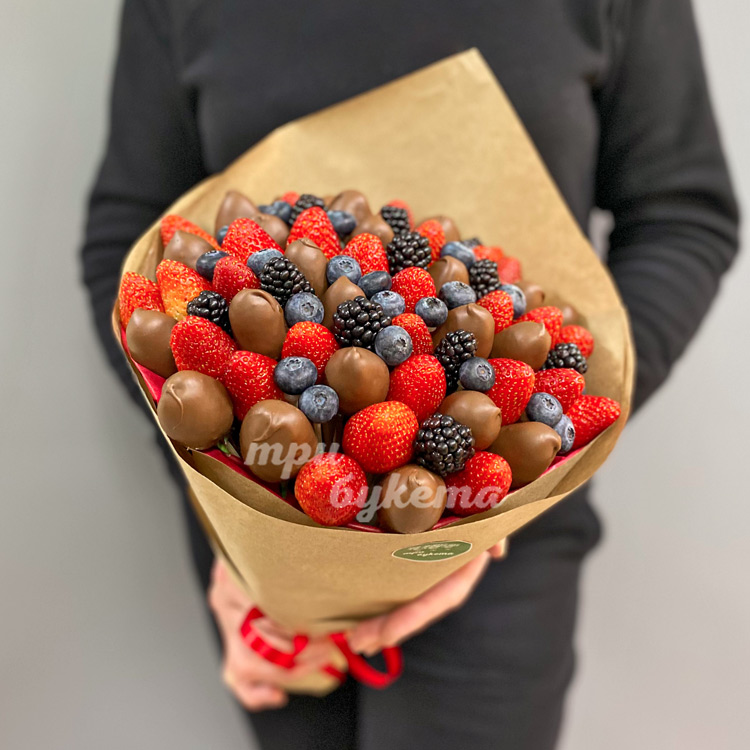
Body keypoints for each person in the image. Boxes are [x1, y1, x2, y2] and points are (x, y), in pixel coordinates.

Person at [81, 1, 739, 748]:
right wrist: (222, 495)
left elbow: (684, 214)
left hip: (501, 549)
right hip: (265, 551)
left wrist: (529, 471)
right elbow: (127, 234)